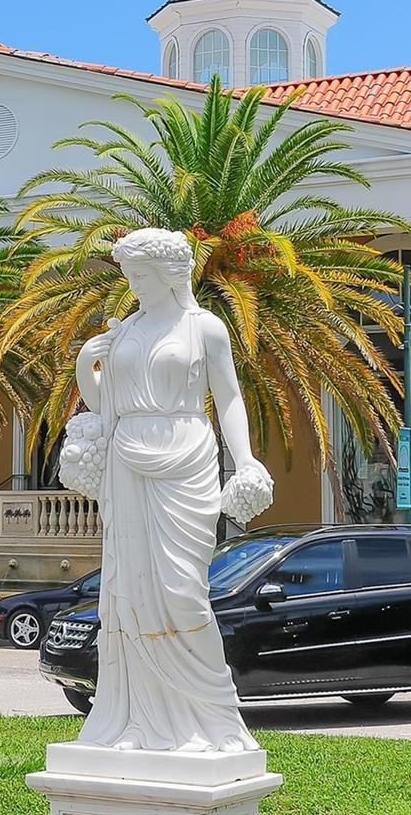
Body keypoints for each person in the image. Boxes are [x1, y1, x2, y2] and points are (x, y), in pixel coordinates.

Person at [69, 227, 272, 752]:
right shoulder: (125, 331)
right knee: (129, 592)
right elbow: (104, 404)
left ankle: (215, 721)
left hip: (187, 454)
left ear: (170, 274)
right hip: (127, 459)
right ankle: (137, 723)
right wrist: (86, 363)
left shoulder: (204, 328)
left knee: (183, 592)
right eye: (129, 275)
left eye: (141, 274)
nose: (133, 284)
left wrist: (245, 459)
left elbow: (228, 397)